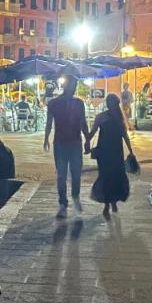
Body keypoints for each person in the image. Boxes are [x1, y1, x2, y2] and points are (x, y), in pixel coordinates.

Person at [43, 73, 90, 217]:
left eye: (75, 85)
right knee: (65, 174)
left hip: (70, 142)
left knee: (71, 174)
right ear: (66, 86)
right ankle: (64, 202)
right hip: (66, 143)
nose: (75, 88)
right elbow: (49, 123)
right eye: (73, 85)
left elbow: (83, 122)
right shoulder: (56, 103)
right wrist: (46, 139)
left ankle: (72, 198)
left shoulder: (75, 103)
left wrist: (87, 139)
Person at [87, 97, 135, 218]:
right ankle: (108, 204)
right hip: (107, 152)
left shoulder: (107, 117)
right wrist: (86, 141)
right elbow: (93, 132)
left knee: (113, 176)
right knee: (107, 177)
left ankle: (111, 203)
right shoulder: (109, 117)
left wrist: (131, 150)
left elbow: (125, 135)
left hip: (113, 152)